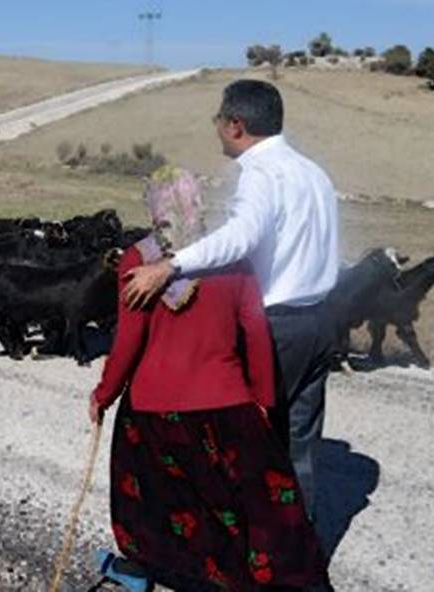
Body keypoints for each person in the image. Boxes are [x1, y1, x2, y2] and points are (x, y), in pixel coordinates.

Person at [90, 165, 328, 591]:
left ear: (154, 206)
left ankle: (164, 571)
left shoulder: (138, 260)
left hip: (153, 411)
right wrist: (263, 400)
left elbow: (127, 341)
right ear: (197, 202)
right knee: (246, 503)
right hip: (228, 404)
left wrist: (103, 394)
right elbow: (255, 332)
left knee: (156, 500)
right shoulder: (230, 256)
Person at [121, 80, 340, 525]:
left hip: (278, 327)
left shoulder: (261, 173)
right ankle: (302, 546)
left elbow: (241, 237)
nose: (216, 127)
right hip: (319, 322)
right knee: (300, 444)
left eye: (218, 119)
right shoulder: (313, 172)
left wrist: (170, 266)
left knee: (255, 445)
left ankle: (259, 547)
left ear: (235, 125)